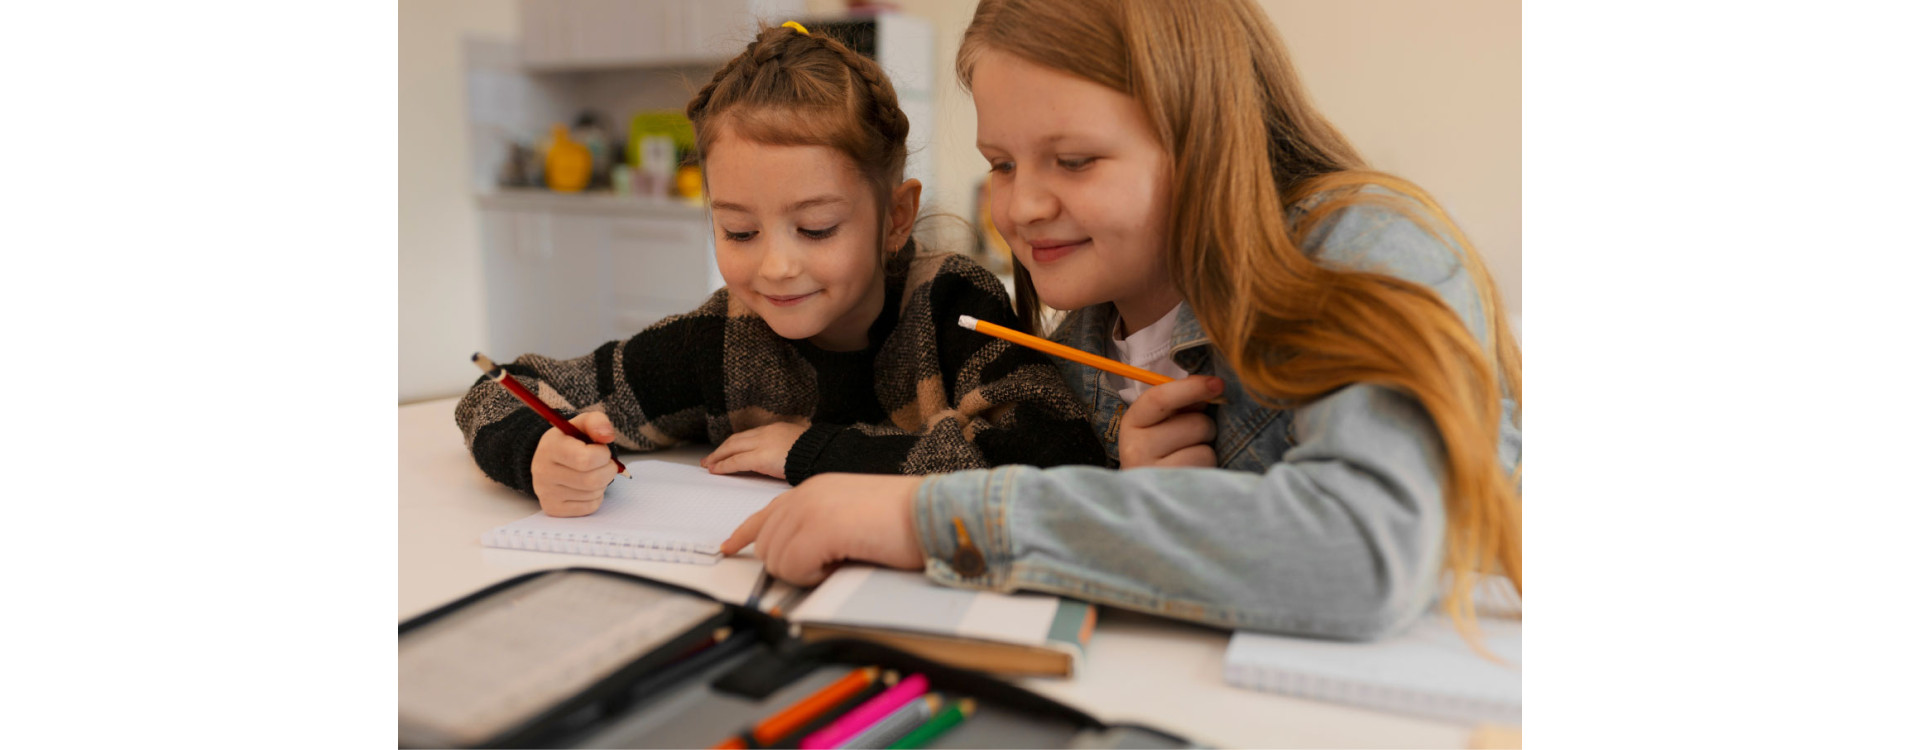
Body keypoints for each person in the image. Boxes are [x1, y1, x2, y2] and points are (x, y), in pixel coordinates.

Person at [724, 0, 1521, 641]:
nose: (1021, 207)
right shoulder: (1078, 345)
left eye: (1075, 161)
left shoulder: (1361, 247)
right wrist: (1132, 495)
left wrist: (925, 521)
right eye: (1001, 164)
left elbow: (1362, 552)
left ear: (1203, 137)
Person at [456, 22, 1105, 518]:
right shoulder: (719, 340)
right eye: (739, 231)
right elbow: (502, 389)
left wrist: (811, 451)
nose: (775, 267)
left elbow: (1055, 461)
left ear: (895, 218)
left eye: (817, 228)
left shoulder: (952, 303)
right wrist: (539, 453)